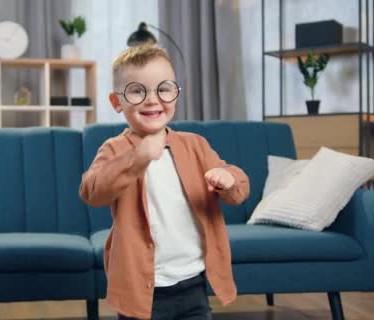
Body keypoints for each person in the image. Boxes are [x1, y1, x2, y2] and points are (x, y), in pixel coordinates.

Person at [79, 44, 250, 320]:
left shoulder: (195, 145)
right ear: (116, 102)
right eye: (137, 90)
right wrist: (137, 158)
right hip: (141, 290)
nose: (152, 99)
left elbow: (239, 190)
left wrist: (228, 179)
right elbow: (92, 192)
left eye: (164, 88)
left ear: (175, 94)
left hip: (194, 283)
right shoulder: (114, 149)